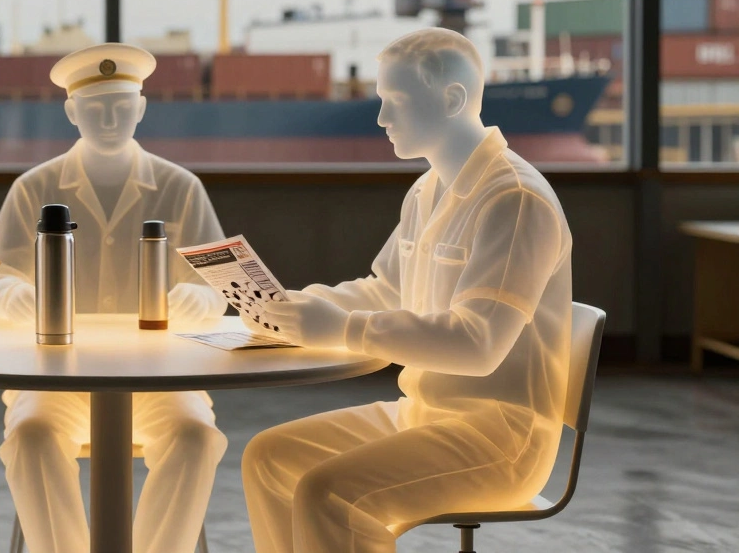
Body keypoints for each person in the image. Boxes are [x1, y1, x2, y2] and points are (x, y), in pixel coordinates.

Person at [242, 28, 573, 553]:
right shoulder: (427, 191)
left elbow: (479, 345)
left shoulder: (514, 199)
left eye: (394, 101)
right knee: (269, 457)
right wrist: (301, 308)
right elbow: (386, 291)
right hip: (424, 413)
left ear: (452, 100)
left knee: (332, 495)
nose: (381, 119)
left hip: (499, 438)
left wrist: (344, 330)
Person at [0, 43, 229, 553]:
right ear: (73, 112)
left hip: (163, 377)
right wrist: (13, 294)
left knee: (194, 438)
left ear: (141, 108)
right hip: (55, 379)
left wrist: (200, 299)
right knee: (31, 440)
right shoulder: (34, 187)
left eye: (122, 107)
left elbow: (218, 283)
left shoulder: (181, 188)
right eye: (96, 109)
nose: (111, 120)